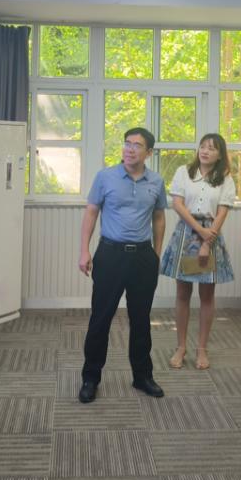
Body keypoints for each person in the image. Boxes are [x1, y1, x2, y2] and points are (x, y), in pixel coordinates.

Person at [77, 127, 168, 404]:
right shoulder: (105, 177)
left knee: (141, 320)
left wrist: (156, 254)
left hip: (142, 257)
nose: (130, 149)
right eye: (127, 143)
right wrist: (84, 250)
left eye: (137, 145)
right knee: (100, 319)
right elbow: (91, 212)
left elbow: (159, 217)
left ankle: (142, 376)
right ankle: (90, 378)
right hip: (110, 255)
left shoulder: (156, 181)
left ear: (148, 152)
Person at [160, 133, 236, 370]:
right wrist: (198, 231)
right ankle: (181, 347)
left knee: (207, 295)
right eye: (202, 146)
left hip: (211, 235)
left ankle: (202, 349)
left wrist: (206, 241)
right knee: (182, 293)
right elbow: (177, 204)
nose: (205, 151)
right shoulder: (184, 172)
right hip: (186, 234)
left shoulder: (225, 178)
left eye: (211, 148)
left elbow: (222, 212)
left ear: (220, 154)